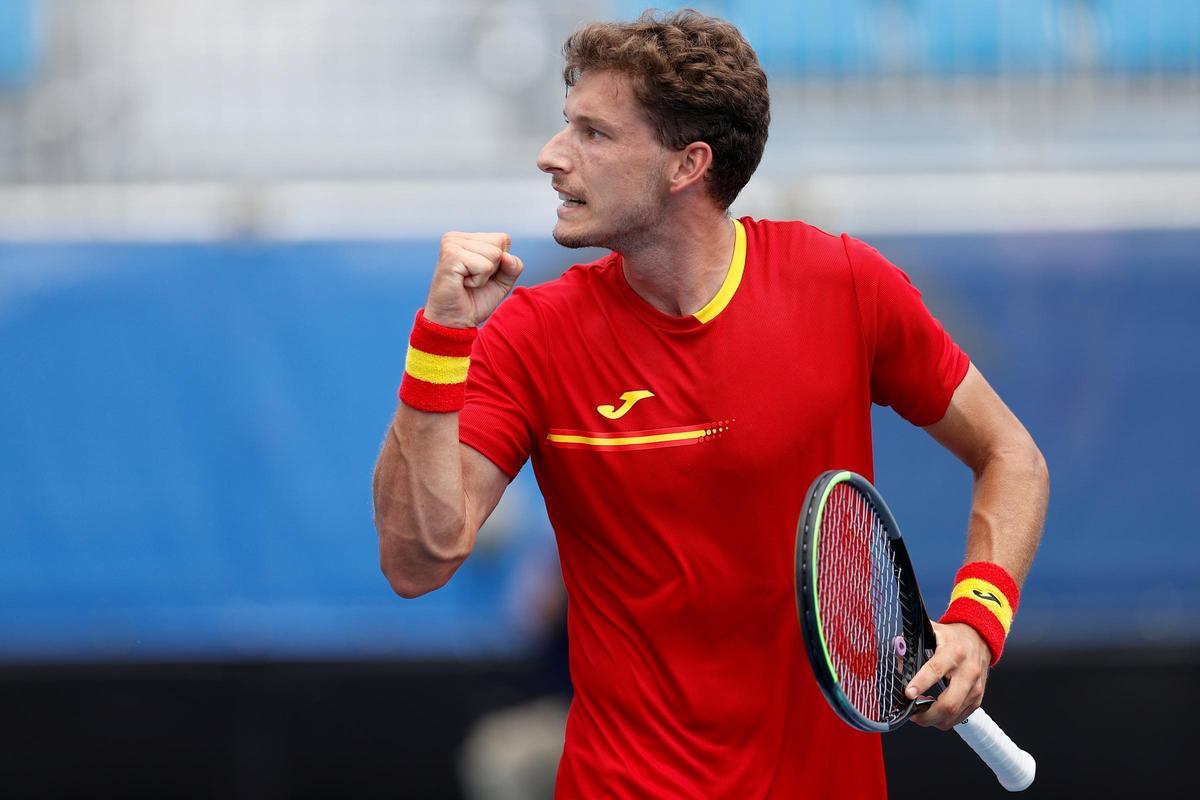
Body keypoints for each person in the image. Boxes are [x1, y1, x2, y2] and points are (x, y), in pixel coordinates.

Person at [373, 10, 1048, 798]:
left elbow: (1012, 456)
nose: (551, 157)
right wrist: (439, 343)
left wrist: (978, 616)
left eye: (593, 133)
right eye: (566, 126)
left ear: (686, 164)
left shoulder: (845, 286)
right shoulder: (529, 335)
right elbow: (416, 560)